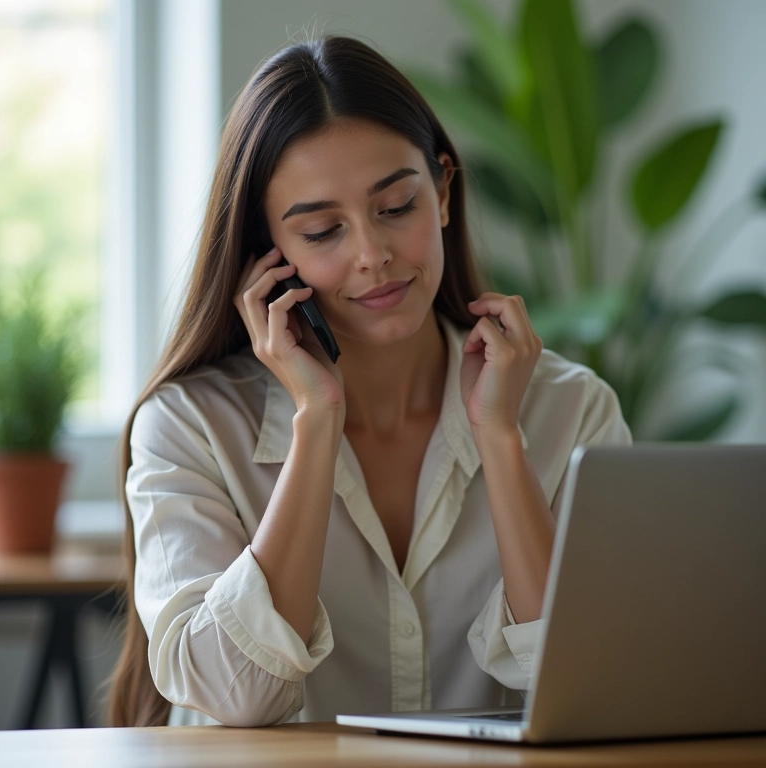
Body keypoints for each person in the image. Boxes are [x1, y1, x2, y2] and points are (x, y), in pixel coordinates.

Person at [108, 35, 631, 728]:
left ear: (443, 192)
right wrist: (315, 422)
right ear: (271, 256)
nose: (372, 256)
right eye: (323, 231)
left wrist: (501, 438)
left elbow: (594, 687)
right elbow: (236, 696)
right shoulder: (190, 426)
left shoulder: (575, 411)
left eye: (395, 208)